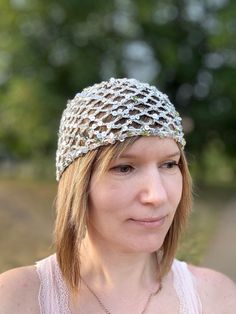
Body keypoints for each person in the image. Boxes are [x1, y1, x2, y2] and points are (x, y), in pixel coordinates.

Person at [0, 78, 235, 314]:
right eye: (124, 168)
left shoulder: (217, 298)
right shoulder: (17, 300)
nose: (158, 195)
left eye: (169, 164)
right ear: (78, 184)